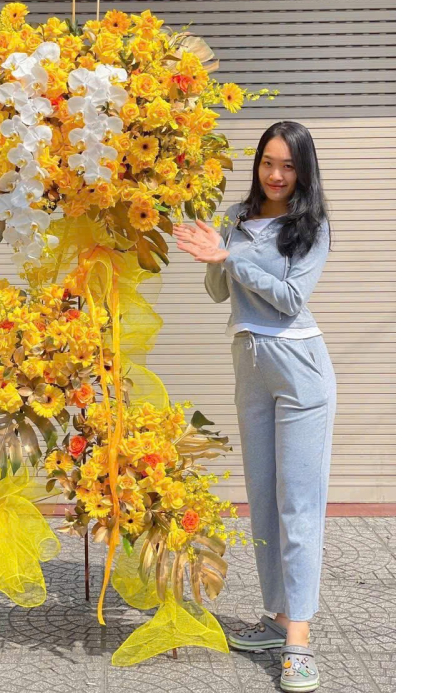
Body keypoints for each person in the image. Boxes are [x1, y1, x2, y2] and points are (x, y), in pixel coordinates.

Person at [173, 121, 336, 693]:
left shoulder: (310, 226)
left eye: (288, 165)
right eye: (268, 161)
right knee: (264, 499)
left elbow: (290, 299)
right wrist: (214, 255)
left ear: (303, 171)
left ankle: (300, 642)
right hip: (250, 363)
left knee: (299, 503)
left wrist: (230, 256)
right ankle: (278, 618)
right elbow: (221, 292)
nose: (276, 174)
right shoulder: (238, 219)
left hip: (299, 367)